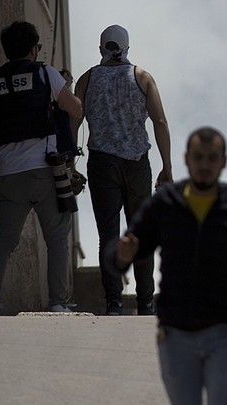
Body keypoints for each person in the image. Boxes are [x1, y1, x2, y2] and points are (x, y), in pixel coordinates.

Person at [104, 127, 227, 405]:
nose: (205, 165)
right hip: (176, 334)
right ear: (187, 159)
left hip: (225, 331)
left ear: (223, 161)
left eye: (212, 158)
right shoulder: (165, 204)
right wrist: (122, 255)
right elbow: (126, 250)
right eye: (199, 157)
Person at [0, 20, 83, 315]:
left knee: (5, 240)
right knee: (58, 237)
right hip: (44, 171)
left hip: (8, 174)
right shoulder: (44, 73)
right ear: (33, 48)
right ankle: (58, 304)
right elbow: (74, 108)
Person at [73, 24, 173, 316]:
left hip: (102, 163)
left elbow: (74, 123)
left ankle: (114, 302)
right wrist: (166, 167)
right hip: (136, 163)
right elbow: (160, 123)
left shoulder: (87, 79)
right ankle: (146, 303)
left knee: (109, 234)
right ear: (127, 46)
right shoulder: (141, 77)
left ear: (102, 47)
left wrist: (69, 163)